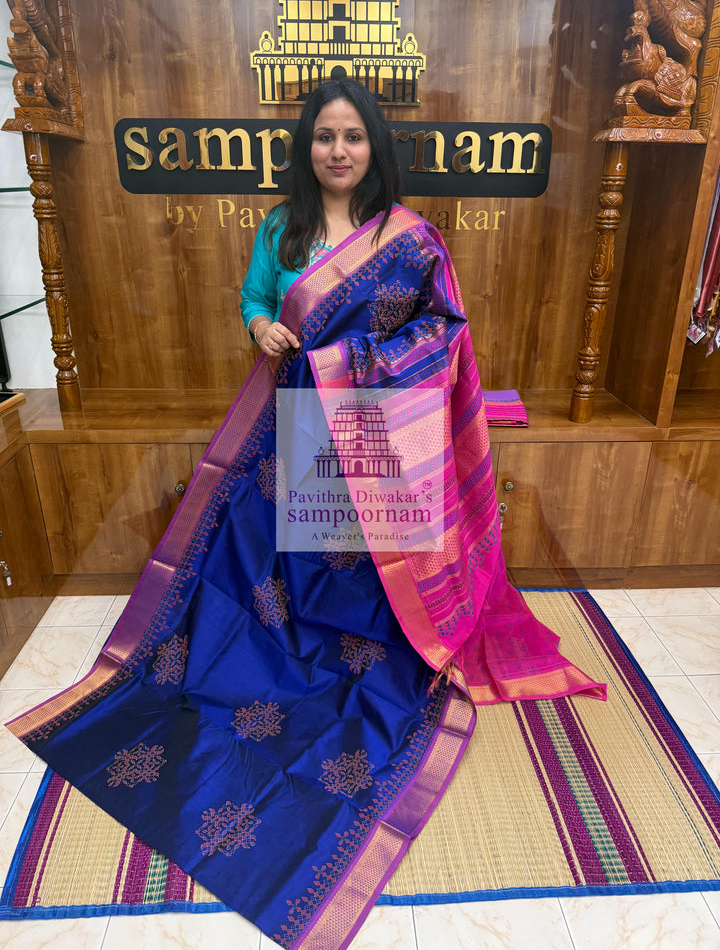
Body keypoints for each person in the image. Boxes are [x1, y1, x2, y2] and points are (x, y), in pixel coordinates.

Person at [6, 80, 605, 950]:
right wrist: (260, 328)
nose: (337, 150)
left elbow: (444, 335)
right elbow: (254, 302)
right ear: (306, 146)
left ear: (374, 148)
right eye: (323, 136)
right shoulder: (279, 231)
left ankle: (356, 648)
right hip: (293, 428)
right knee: (278, 560)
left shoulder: (411, 240)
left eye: (352, 137)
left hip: (373, 430)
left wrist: (358, 356)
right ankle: (279, 650)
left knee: (362, 562)